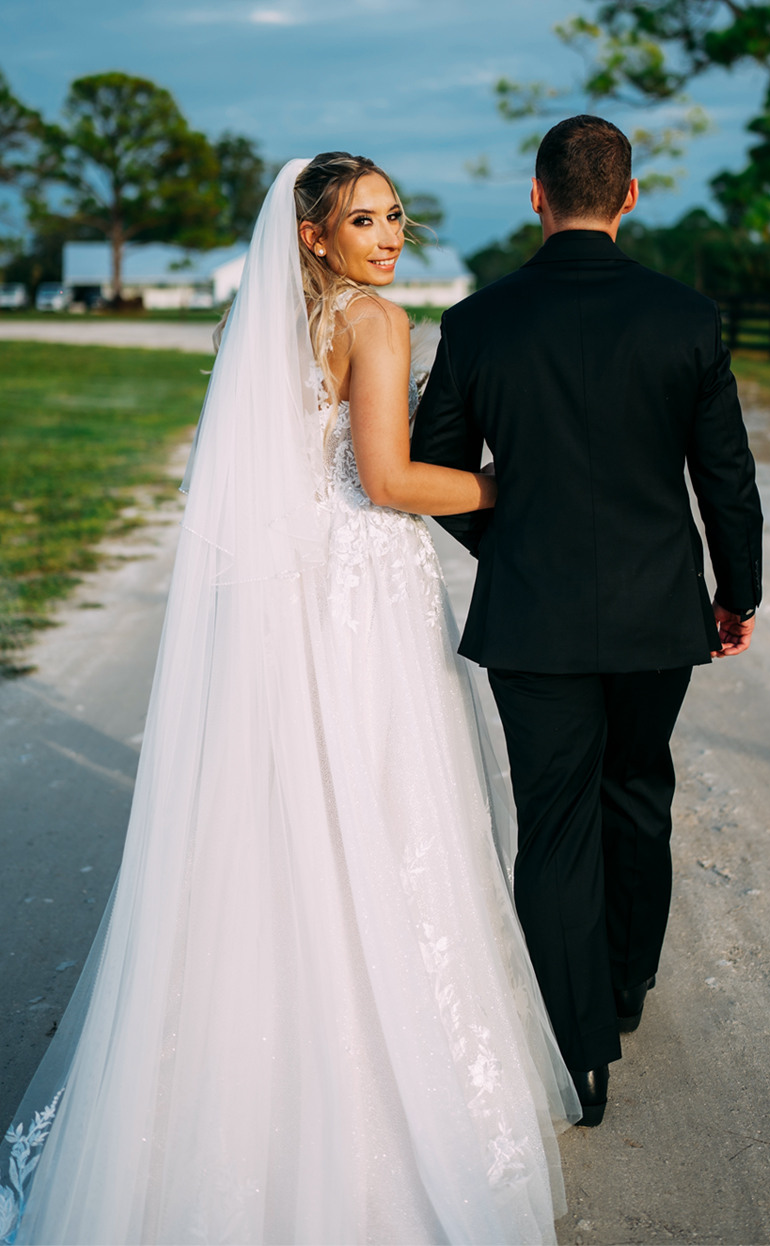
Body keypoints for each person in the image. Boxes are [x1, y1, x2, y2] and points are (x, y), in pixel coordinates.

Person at [1, 155, 580, 1246]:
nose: (390, 236)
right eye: (365, 220)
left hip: (286, 601)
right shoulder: (376, 321)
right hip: (357, 600)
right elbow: (395, 479)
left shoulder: (252, 328)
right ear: (313, 236)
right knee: (376, 817)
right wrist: (518, 484)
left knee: (272, 828)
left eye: (397, 217)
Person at [411, 115, 763, 1127]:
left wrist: (512, 550)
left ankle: (576, 1049)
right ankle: (625, 987)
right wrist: (736, 594)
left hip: (535, 619)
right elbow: (725, 480)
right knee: (638, 792)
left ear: (536, 195)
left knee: (555, 820)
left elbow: (438, 477)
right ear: (630, 197)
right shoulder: (686, 318)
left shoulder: (479, 322)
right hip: (660, 616)